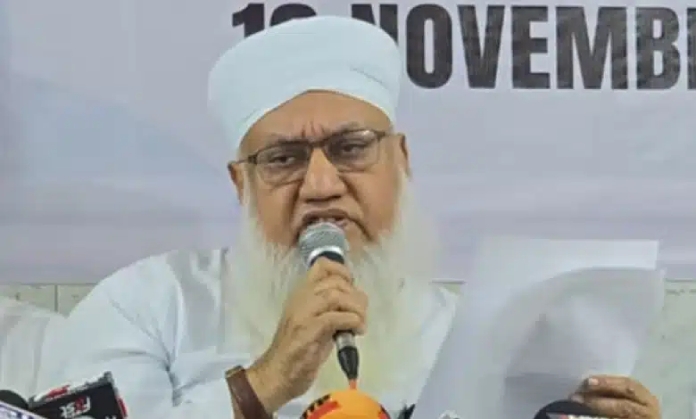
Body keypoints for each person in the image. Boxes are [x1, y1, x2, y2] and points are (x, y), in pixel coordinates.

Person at [39, 16, 661, 419]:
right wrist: (264, 383)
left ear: (402, 161)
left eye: (351, 147)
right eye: (282, 158)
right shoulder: (147, 305)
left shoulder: (469, 340)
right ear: (241, 184)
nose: (320, 185)